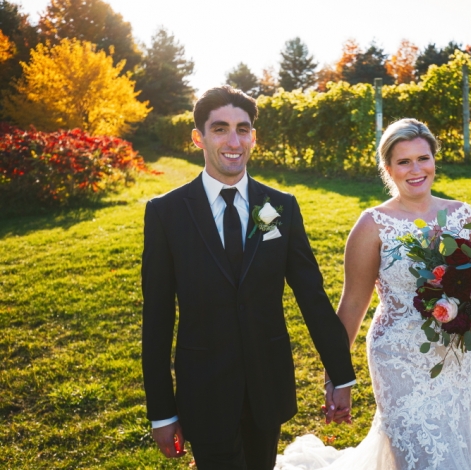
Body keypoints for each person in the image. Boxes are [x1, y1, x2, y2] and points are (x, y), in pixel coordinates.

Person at [141, 85, 356, 470]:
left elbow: (311, 295)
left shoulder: (281, 207)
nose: (233, 140)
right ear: (198, 137)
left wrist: (340, 375)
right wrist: (161, 412)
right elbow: (156, 317)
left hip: (267, 385)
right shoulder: (165, 213)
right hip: (203, 388)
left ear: (253, 137)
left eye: (243, 129)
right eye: (220, 129)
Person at [277, 118, 471, 469]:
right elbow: (353, 304)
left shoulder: (462, 215)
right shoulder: (372, 225)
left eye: (423, 158)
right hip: (398, 359)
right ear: (388, 168)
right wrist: (337, 378)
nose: (416, 169)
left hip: (455, 359)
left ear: (435, 159)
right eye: (404, 162)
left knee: (453, 448)